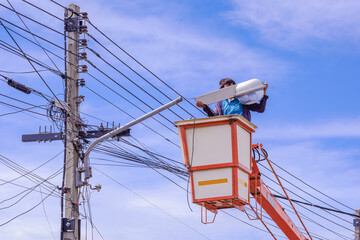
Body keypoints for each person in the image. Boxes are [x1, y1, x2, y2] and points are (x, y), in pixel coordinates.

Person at [196, 78, 269, 122]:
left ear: (233, 85)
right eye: (222, 88)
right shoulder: (221, 102)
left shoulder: (242, 98)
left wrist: (264, 92)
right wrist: (205, 107)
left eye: (226, 87)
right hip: (225, 128)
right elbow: (214, 117)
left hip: (242, 127)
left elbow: (260, 109)